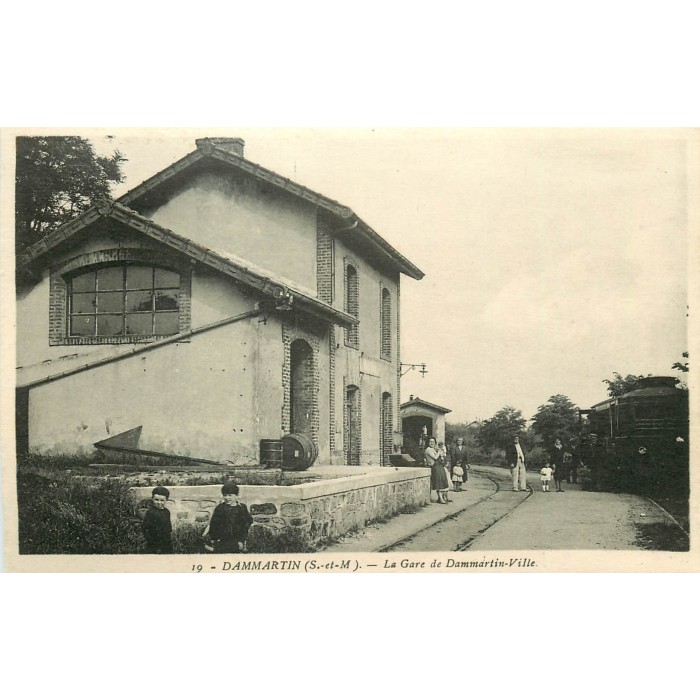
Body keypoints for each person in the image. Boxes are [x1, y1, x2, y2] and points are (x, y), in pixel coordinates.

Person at [206, 481, 254, 553]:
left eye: (230, 495)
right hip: (223, 537)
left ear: (236, 496)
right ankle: (217, 549)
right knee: (230, 546)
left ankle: (218, 549)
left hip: (238, 537)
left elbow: (249, 520)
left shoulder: (242, 507)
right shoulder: (220, 508)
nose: (227, 498)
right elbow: (214, 523)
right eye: (225, 495)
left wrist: (241, 537)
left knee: (236, 546)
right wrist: (214, 538)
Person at [142, 485, 173, 554]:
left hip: (166, 542)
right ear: (152, 499)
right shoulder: (150, 512)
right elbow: (145, 529)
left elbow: (168, 527)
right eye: (156, 500)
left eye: (162, 500)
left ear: (166, 500)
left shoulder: (166, 512)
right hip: (153, 544)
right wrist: (152, 542)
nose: (159, 503)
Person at [425, 437, 450, 504]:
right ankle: (441, 498)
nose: (432, 443)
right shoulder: (428, 450)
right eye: (430, 441)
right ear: (428, 443)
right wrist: (439, 452)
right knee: (439, 482)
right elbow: (435, 457)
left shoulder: (434, 449)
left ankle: (441, 498)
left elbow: (442, 456)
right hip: (434, 467)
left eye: (433, 442)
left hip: (439, 466)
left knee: (442, 481)